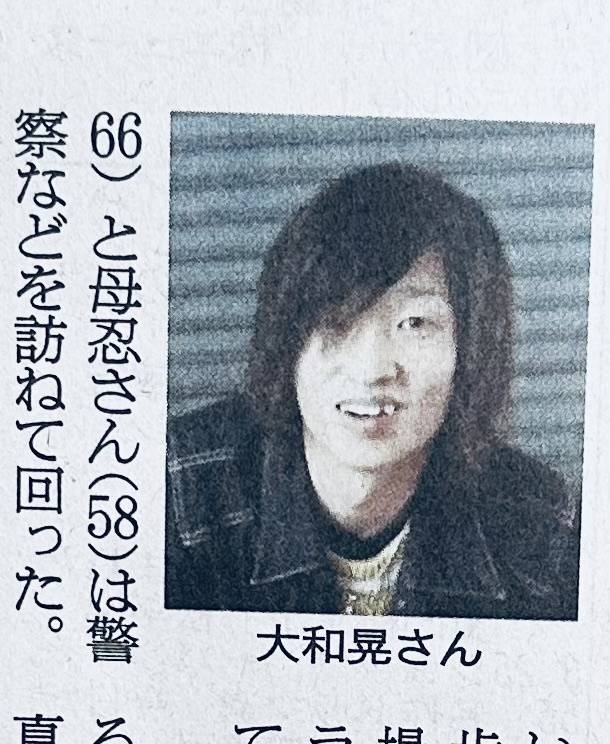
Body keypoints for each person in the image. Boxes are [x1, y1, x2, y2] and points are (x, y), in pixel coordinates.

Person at [165, 162, 579, 619]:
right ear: (286, 340)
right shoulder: (181, 491)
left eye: (415, 323)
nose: (372, 370)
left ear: (471, 347)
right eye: (337, 320)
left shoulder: (542, 526)